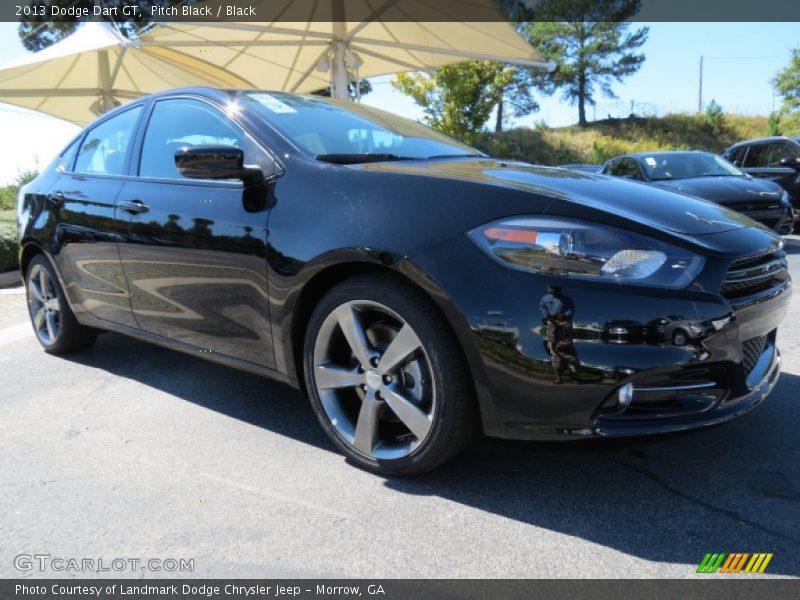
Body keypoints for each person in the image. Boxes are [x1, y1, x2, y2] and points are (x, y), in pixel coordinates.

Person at [539, 286, 579, 384]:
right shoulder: (545, 298)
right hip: (551, 323)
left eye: (555, 287)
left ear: (560, 288)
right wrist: (546, 317)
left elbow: (571, 309)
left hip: (564, 323)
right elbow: (542, 308)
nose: (552, 289)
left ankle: (574, 377)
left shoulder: (567, 299)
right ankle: (558, 378)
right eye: (550, 287)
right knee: (555, 355)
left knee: (570, 354)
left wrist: (565, 315)